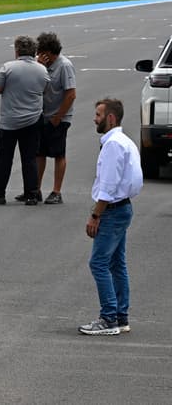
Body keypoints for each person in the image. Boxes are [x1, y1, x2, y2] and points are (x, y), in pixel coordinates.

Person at [78, 98, 142, 336]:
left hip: (113, 210)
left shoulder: (114, 145)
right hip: (123, 207)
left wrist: (96, 215)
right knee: (116, 264)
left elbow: (108, 185)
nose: (95, 119)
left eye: (98, 114)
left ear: (111, 118)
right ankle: (121, 317)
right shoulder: (124, 141)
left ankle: (108, 319)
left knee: (99, 263)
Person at [0, 35, 49, 206]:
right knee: (30, 158)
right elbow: (45, 89)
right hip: (33, 119)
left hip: (9, 121)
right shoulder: (42, 69)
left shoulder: (8, 68)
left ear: (17, 51)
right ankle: (32, 194)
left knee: (4, 158)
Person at [17, 32, 76, 205]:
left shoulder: (64, 66)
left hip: (59, 117)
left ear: (49, 53)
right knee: (39, 153)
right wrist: (39, 67)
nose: (38, 56)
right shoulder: (41, 66)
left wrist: (58, 117)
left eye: (41, 52)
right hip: (41, 115)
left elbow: (71, 94)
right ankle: (36, 189)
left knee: (58, 154)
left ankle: (57, 191)